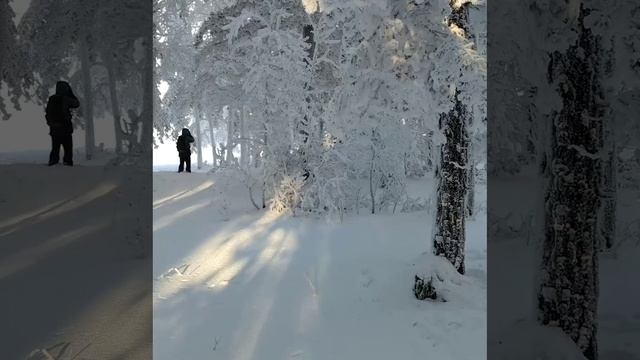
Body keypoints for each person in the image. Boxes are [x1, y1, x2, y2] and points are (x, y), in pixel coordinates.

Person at [45, 81, 79, 166]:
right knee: (68, 150)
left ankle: (52, 164)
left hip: (54, 129)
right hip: (65, 128)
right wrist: (70, 92)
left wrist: (51, 123)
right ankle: (67, 166)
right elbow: (76, 104)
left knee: (55, 149)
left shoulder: (52, 98)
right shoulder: (66, 98)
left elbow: (48, 112)